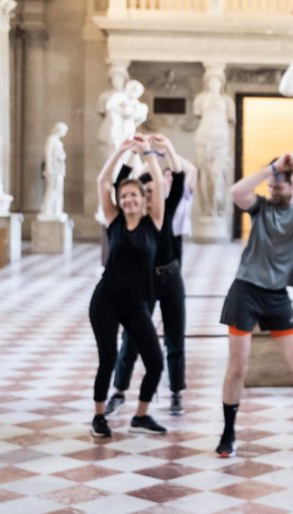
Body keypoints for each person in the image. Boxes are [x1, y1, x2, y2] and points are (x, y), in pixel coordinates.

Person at [217, 152, 293, 458]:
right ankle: (228, 433)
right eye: (271, 184)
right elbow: (237, 192)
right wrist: (270, 169)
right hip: (245, 292)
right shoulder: (261, 208)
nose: (273, 188)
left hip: (276, 296)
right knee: (238, 367)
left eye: (280, 184)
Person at [106, 134, 196, 417]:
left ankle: (176, 394)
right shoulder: (132, 219)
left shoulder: (164, 211)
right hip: (142, 282)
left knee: (174, 337)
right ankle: (119, 391)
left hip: (170, 279)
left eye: (151, 192)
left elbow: (179, 177)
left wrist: (166, 148)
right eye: (141, 192)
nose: (147, 197)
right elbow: (117, 183)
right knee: (131, 339)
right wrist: (131, 154)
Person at [89, 135, 169, 438]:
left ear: (143, 200)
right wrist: (120, 151)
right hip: (106, 300)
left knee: (155, 362)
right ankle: (99, 416)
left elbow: (159, 185)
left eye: (134, 196)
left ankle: (141, 415)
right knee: (108, 358)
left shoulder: (154, 222)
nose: (129, 200)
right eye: (124, 197)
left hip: (136, 303)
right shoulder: (114, 222)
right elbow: (101, 181)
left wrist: (148, 153)